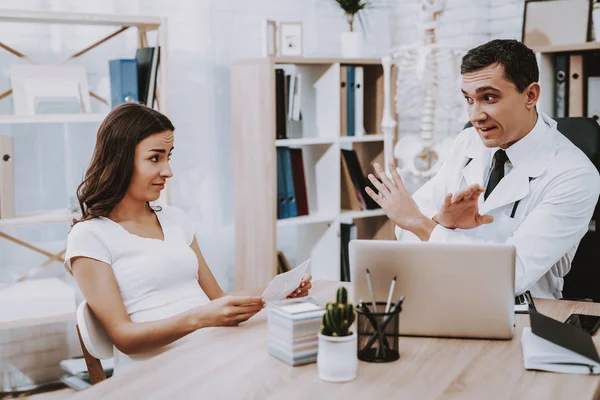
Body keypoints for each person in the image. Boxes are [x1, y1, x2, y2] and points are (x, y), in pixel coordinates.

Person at [65, 103, 312, 375]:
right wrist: (200, 318)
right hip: (156, 374)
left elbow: (217, 298)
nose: (168, 171)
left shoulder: (176, 219)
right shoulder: (90, 236)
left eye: (169, 157)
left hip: (210, 352)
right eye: (155, 158)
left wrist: (274, 291)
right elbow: (124, 338)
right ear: (120, 160)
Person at [366, 39, 600, 299]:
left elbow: (512, 275)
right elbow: (405, 230)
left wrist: (423, 225)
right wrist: (441, 223)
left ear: (531, 95)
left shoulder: (574, 174)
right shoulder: (468, 142)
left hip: (523, 313)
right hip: (447, 292)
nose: (475, 116)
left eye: (489, 97)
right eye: (469, 99)